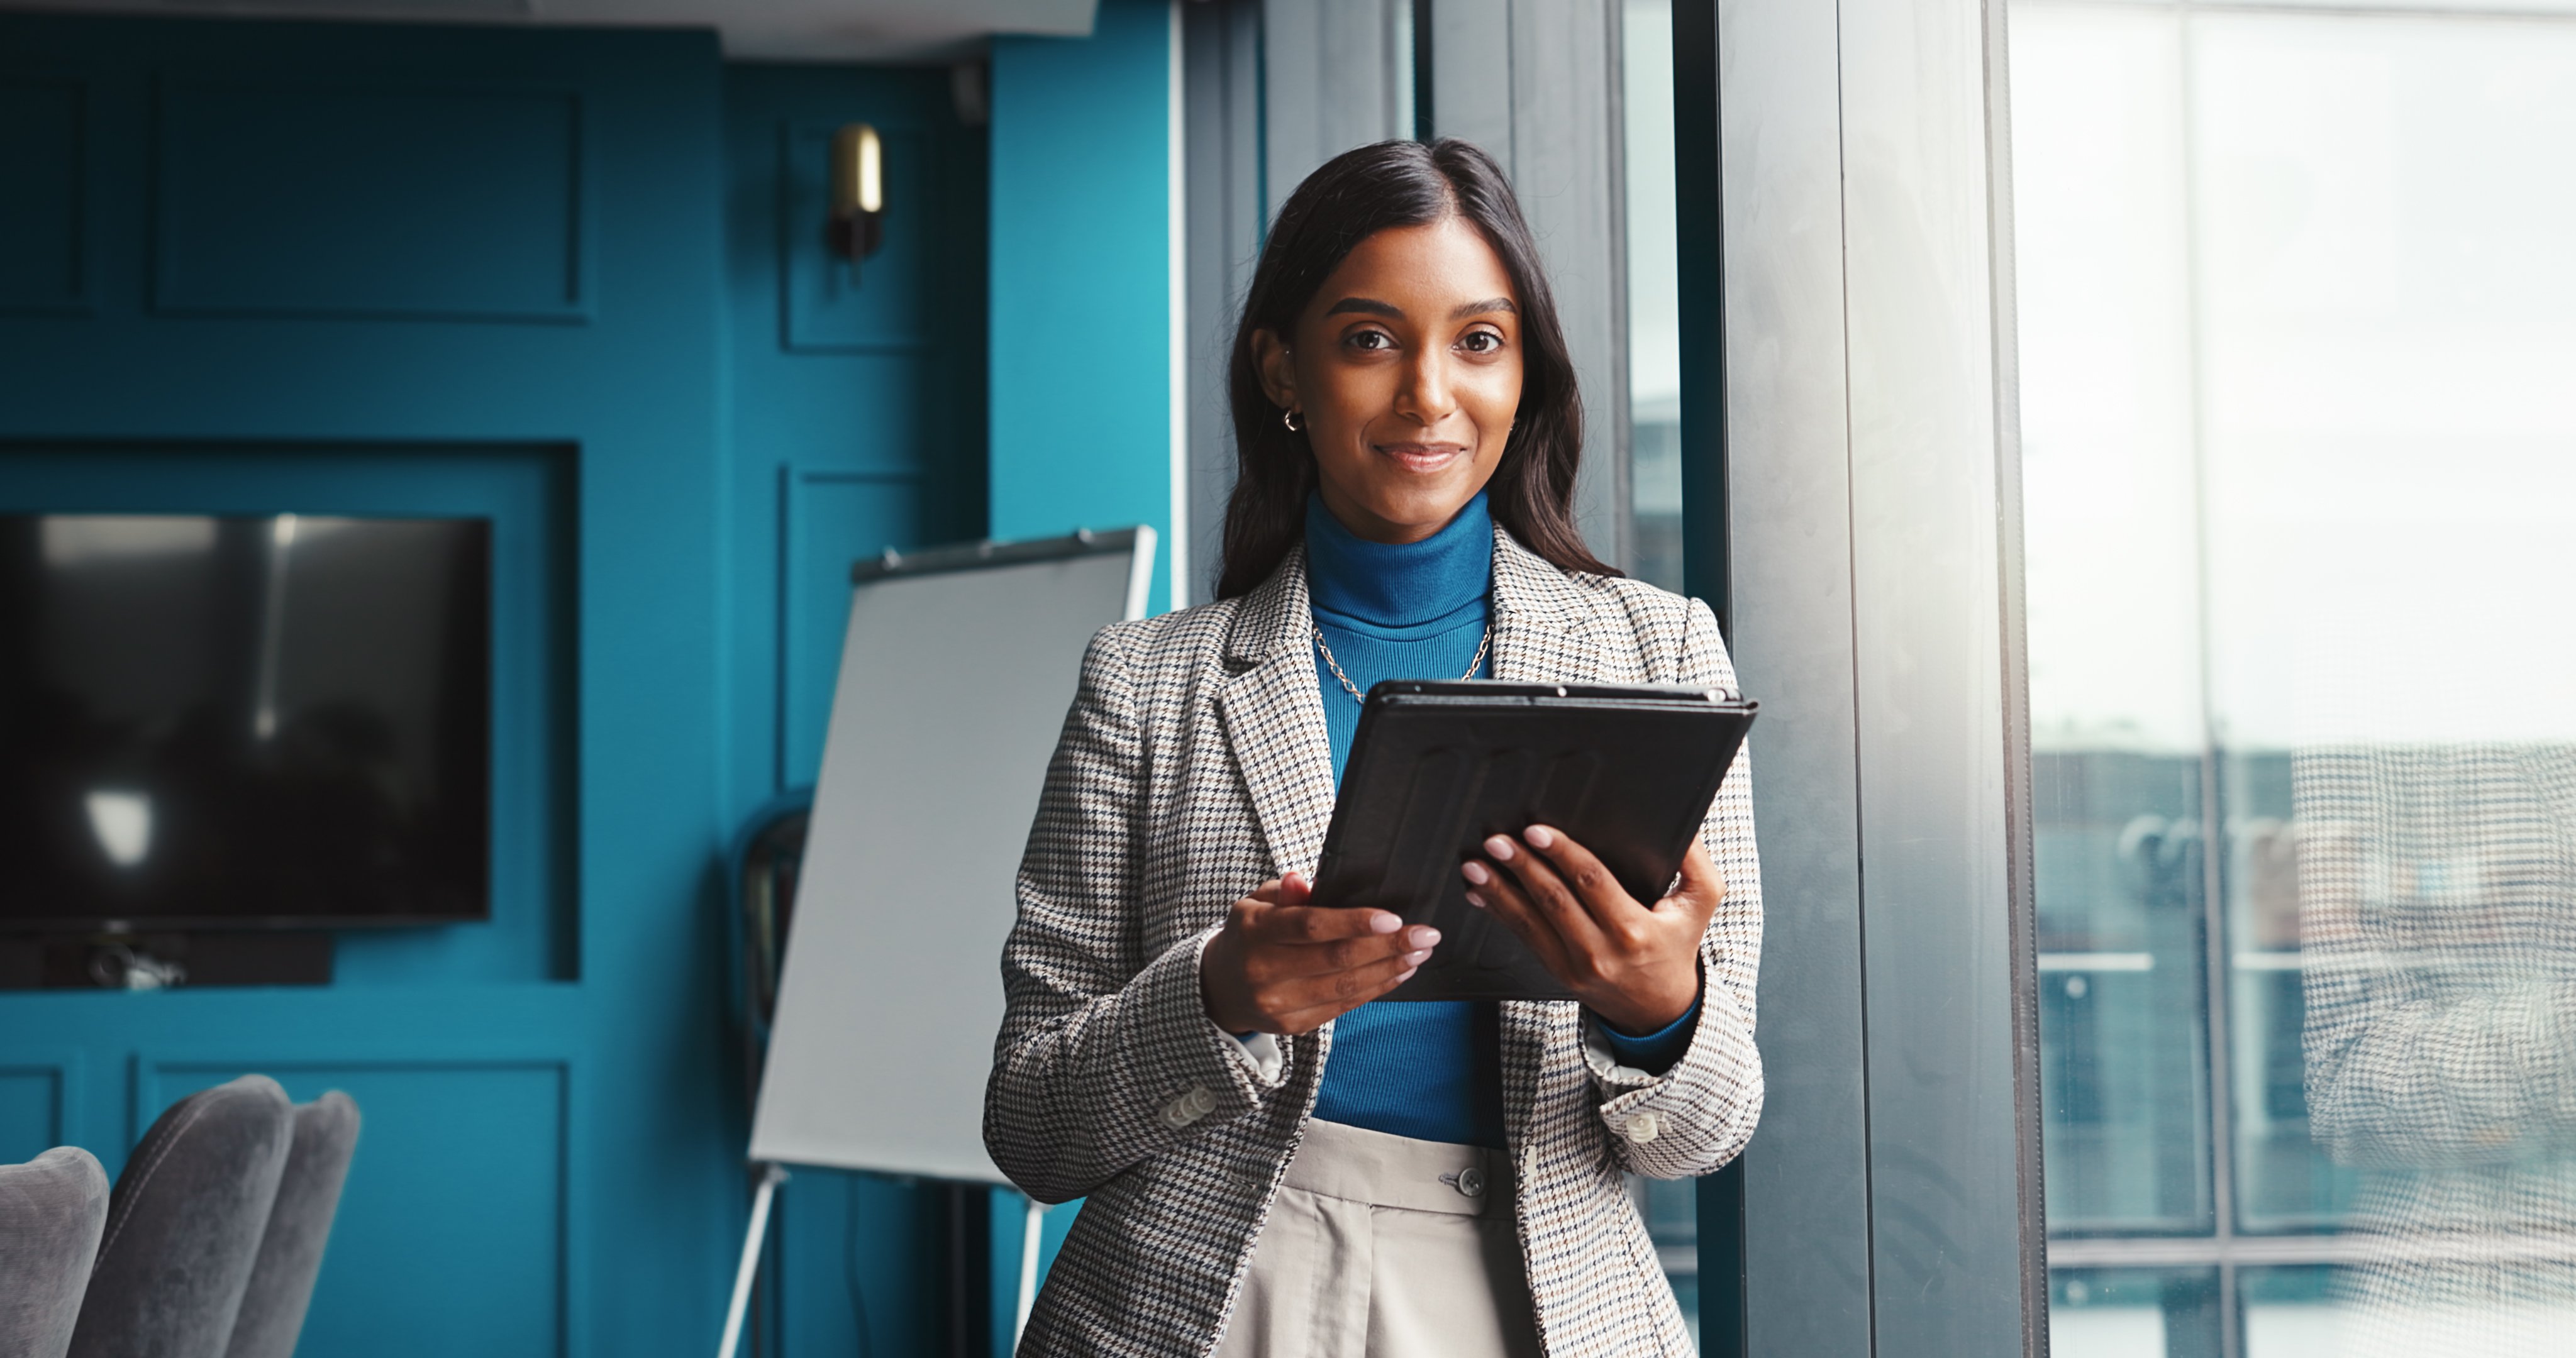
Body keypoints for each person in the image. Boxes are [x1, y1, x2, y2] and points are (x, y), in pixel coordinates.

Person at [984, 138, 1763, 1358]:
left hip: (1527, 1302)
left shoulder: (1659, 656)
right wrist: (1220, 996)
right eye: (1367, 340)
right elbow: (1030, 1126)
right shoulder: (1143, 684)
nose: (1426, 399)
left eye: (1477, 341)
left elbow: (1705, 1132)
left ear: (1524, 374)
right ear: (1280, 367)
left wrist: (1659, 1010)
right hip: (1199, 1301)